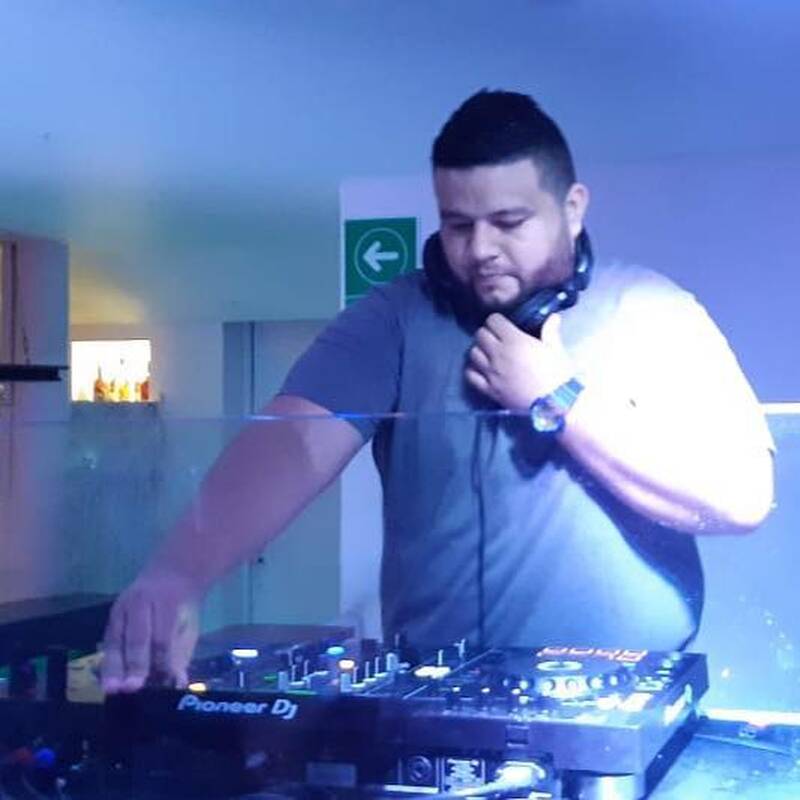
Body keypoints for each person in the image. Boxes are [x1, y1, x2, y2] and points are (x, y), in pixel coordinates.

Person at [102, 90, 774, 693]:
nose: (480, 249)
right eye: (458, 224)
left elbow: (741, 497)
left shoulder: (653, 309)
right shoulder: (394, 318)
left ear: (572, 210)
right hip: (436, 699)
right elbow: (293, 443)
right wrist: (179, 570)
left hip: (623, 701)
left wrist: (556, 396)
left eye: (508, 221)